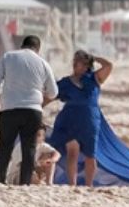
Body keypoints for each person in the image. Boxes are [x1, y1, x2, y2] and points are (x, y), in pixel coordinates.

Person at [0, 35, 58, 186]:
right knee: (29, 147)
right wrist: (41, 100)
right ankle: (24, 182)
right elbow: (53, 92)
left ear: (22, 45)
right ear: (37, 49)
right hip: (32, 110)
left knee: (5, 145)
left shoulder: (8, 57)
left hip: (9, 108)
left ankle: (0, 179)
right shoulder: (43, 63)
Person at [48, 50, 113, 187]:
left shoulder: (94, 78)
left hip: (90, 119)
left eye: (86, 64)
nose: (83, 67)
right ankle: (72, 185)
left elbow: (108, 65)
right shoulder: (65, 82)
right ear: (74, 64)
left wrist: (93, 58)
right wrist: (37, 108)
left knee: (91, 155)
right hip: (70, 119)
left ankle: (89, 185)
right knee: (72, 152)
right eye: (80, 64)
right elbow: (50, 96)